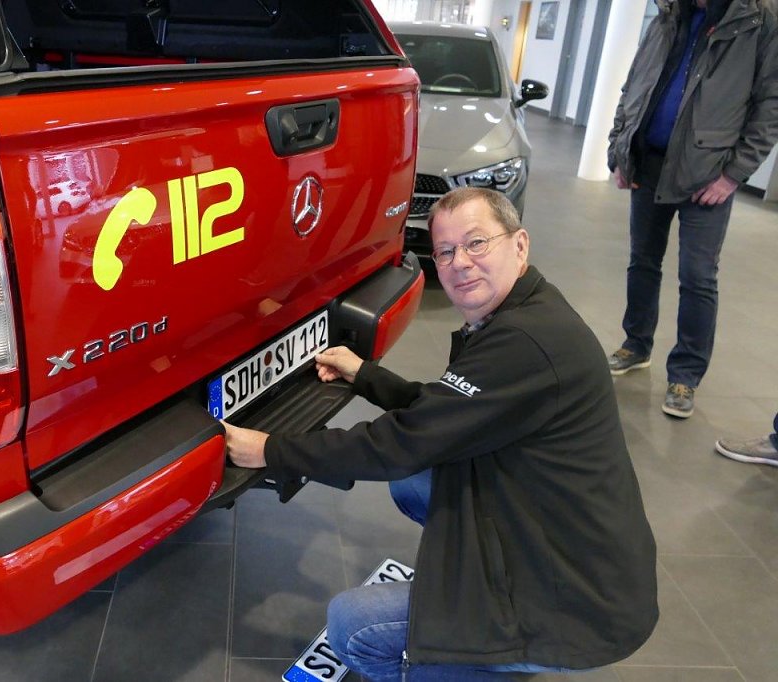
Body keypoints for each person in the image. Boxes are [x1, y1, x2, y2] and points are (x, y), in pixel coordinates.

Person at [223, 188, 658, 681]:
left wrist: (270, 449)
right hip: (558, 543)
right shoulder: (524, 311)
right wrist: (366, 376)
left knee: (354, 625)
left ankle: (474, 660)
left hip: (575, 605)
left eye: (476, 243)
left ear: (520, 245)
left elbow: (399, 444)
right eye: (446, 251)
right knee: (415, 484)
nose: (460, 263)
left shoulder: (525, 342)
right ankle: (477, 628)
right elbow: (450, 415)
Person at [606, 0, 778, 419]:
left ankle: (685, 375)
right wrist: (620, 149)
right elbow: (633, 86)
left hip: (708, 174)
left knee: (698, 277)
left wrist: (733, 174)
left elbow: (770, 106)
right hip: (649, 163)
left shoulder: (758, 22)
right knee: (642, 262)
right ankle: (636, 344)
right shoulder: (668, 15)